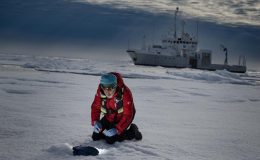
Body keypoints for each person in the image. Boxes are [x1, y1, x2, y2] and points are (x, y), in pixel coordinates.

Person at [91, 72, 142, 144]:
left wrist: (117, 129)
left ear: (115, 86)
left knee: (111, 139)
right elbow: (96, 106)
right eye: (105, 88)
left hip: (123, 117)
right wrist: (95, 121)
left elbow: (128, 115)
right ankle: (110, 129)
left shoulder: (125, 92)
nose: (108, 91)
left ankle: (133, 132)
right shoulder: (100, 91)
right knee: (96, 137)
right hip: (109, 116)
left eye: (111, 88)